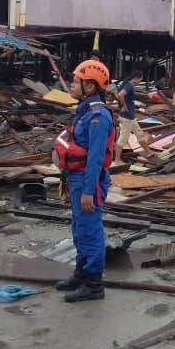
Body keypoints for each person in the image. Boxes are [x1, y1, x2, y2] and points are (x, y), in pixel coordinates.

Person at [52, 59, 116, 302]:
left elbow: (96, 159)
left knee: (90, 232)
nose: (72, 85)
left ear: (90, 87)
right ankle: (81, 273)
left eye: (77, 81)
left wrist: (89, 191)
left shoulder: (99, 117)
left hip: (89, 182)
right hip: (76, 179)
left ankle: (93, 285)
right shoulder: (85, 112)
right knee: (79, 230)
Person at [113, 70, 151, 165]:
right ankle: (117, 160)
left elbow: (118, 95)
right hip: (127, 118)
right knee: (123, 139)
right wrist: (125, 106)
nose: (140, 81)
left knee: (139, 134)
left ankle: (149, 152)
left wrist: (123, 104)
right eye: (141, 79)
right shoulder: (129, 85)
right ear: (137, 78)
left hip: (131, 117)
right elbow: (121, 95)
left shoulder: (128, 84)